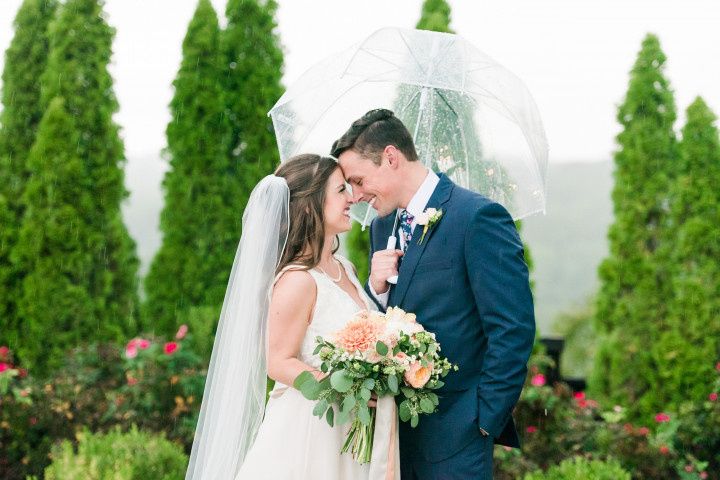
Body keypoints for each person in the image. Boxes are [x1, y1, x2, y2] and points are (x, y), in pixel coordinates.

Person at [332, 109, 536, 480]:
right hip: (394, 438)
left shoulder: (477, 217)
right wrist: (375, 291)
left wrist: (482, 421)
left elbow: (513, 328)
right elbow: (381, 324)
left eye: (359, 181)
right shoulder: (382, 228)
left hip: (458, 439)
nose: (357, 196)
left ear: (391, 157)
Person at [185, 153, 400, 480]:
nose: (352, 198)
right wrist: (340, 388)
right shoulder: (298, 280)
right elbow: (278, 361)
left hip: (348, 431)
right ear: (312, 204)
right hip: (311, 431)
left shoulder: (346, 268)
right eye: (341, 190)